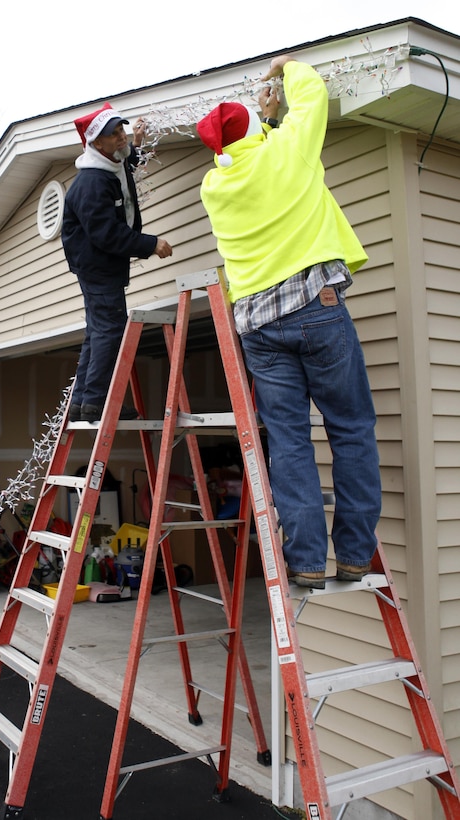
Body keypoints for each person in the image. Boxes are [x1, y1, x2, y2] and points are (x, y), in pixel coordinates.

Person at [195, 55, 381, 590]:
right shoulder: (287, 151)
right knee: (350, 428)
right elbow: (313, 95)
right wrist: (284, 69)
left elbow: (252, 157)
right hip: (314, 311)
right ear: (259, 129)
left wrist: (264, 123)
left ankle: (304, 560)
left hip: (258, 326)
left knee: (290, 440)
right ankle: (352, 554)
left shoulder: (215, 188)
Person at [62, 102, 173, 423]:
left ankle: (83, 401)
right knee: (110, 331)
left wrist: (136, 142)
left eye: (122, 130)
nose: (121, 137)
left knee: (98, 331)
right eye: (114, 134)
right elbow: (106, 234)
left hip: (102, 264)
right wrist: (151, 244)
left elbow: (128, 163)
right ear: (96, 143)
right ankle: (97, 401)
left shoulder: (112, 161)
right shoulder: (91, 183)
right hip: (96, 265)